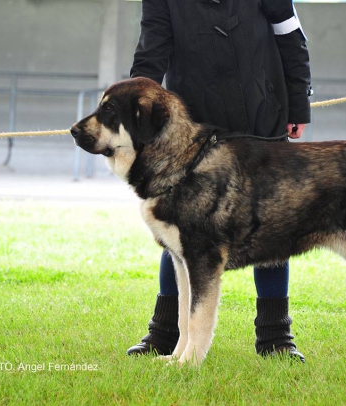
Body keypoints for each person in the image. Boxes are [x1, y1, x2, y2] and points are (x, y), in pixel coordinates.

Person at [126, 0, 312, 362]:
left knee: (269, 224)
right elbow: (152, 52)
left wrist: (297, 105)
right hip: (194, 125)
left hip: (264, 114)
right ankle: (164, 333)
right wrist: (136, 111)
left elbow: (290, 36)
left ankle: (276, 337)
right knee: (180, 225)